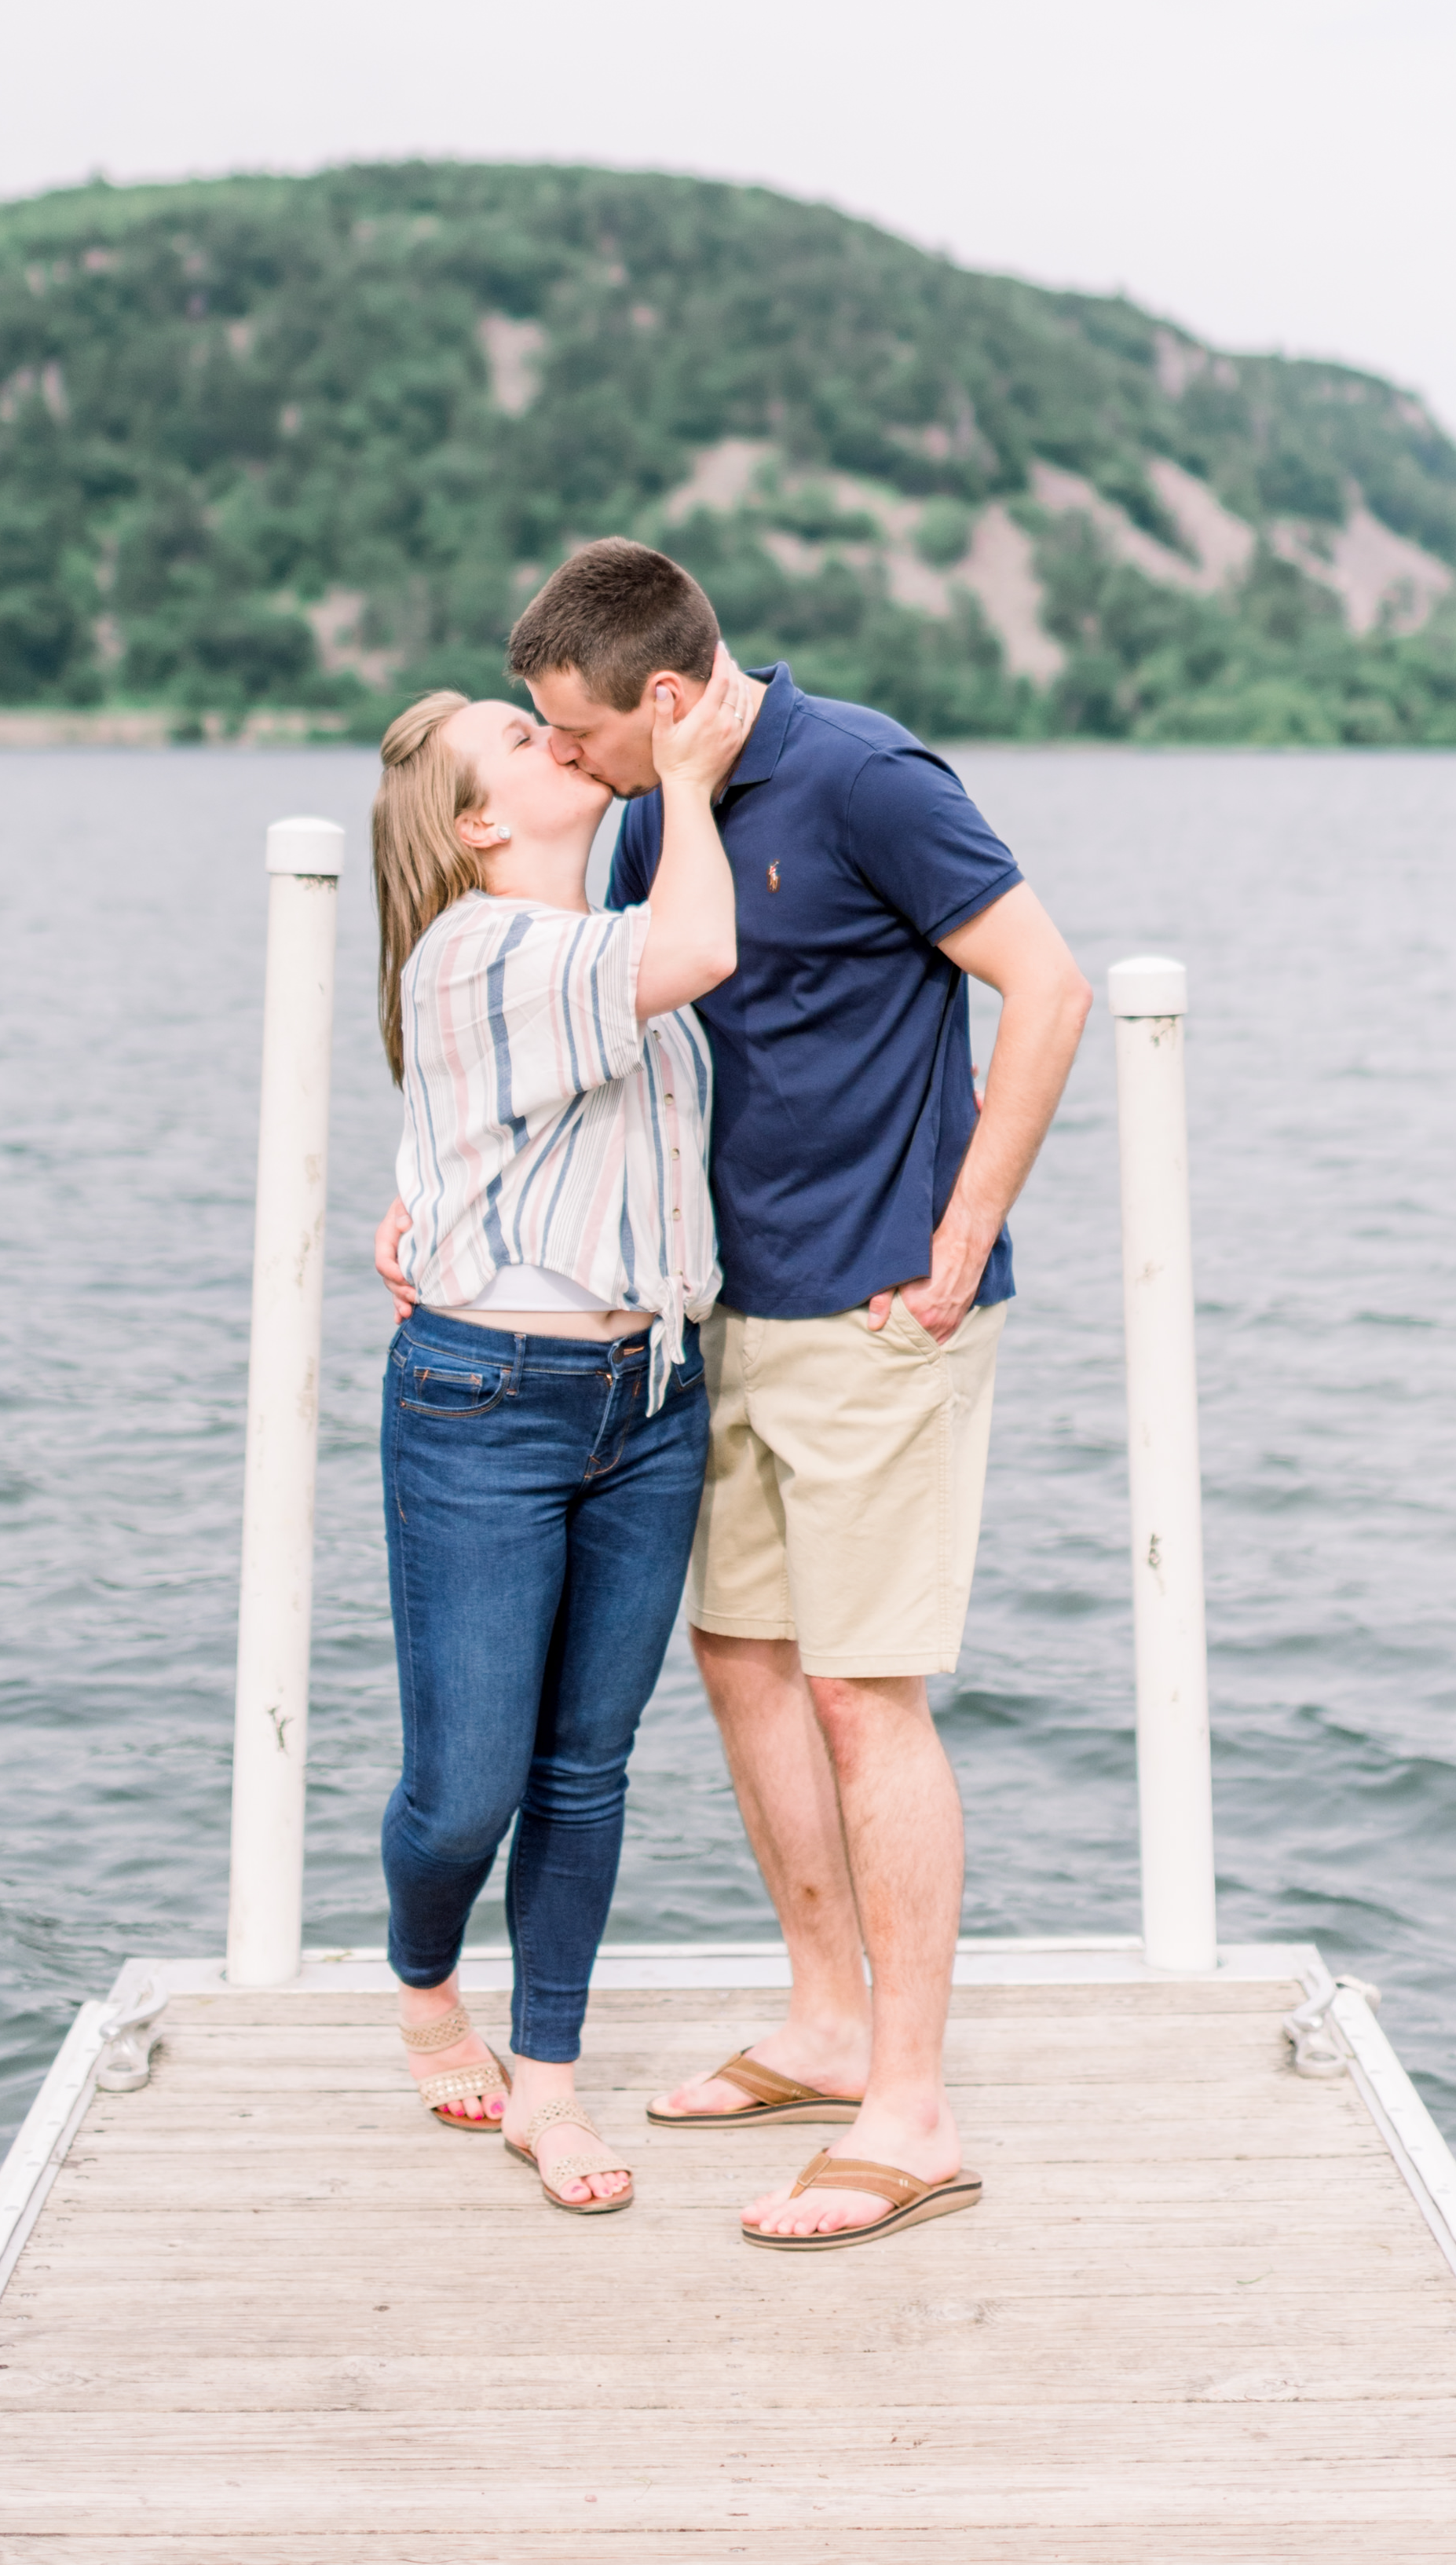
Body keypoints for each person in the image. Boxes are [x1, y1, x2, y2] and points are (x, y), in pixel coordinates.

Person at [385, 536, 1092, 2251]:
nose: (573, 756)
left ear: (668, 701)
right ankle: (827, 2017)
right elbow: (579, 1043)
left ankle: (907, 2110)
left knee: (864, 1691)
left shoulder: (864, 778)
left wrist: (970, 1215)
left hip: (877, 1309)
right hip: (713, 1326)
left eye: (580, 727)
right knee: (745, 1661)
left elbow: (1048, 987)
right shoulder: (649, 811)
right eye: (543, 738)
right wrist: (437, 1196)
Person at [367, 646, 752, 2216]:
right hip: (486, 1407)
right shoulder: (478, 951)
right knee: (465, 1789)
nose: (551, 735)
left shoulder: (591, 947)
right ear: (473, 822)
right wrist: (684, 775)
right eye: (520, 734)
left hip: (647, 1397)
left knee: (584, 1771)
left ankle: (548, 2091)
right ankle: (418, 1979)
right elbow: (707, 945)